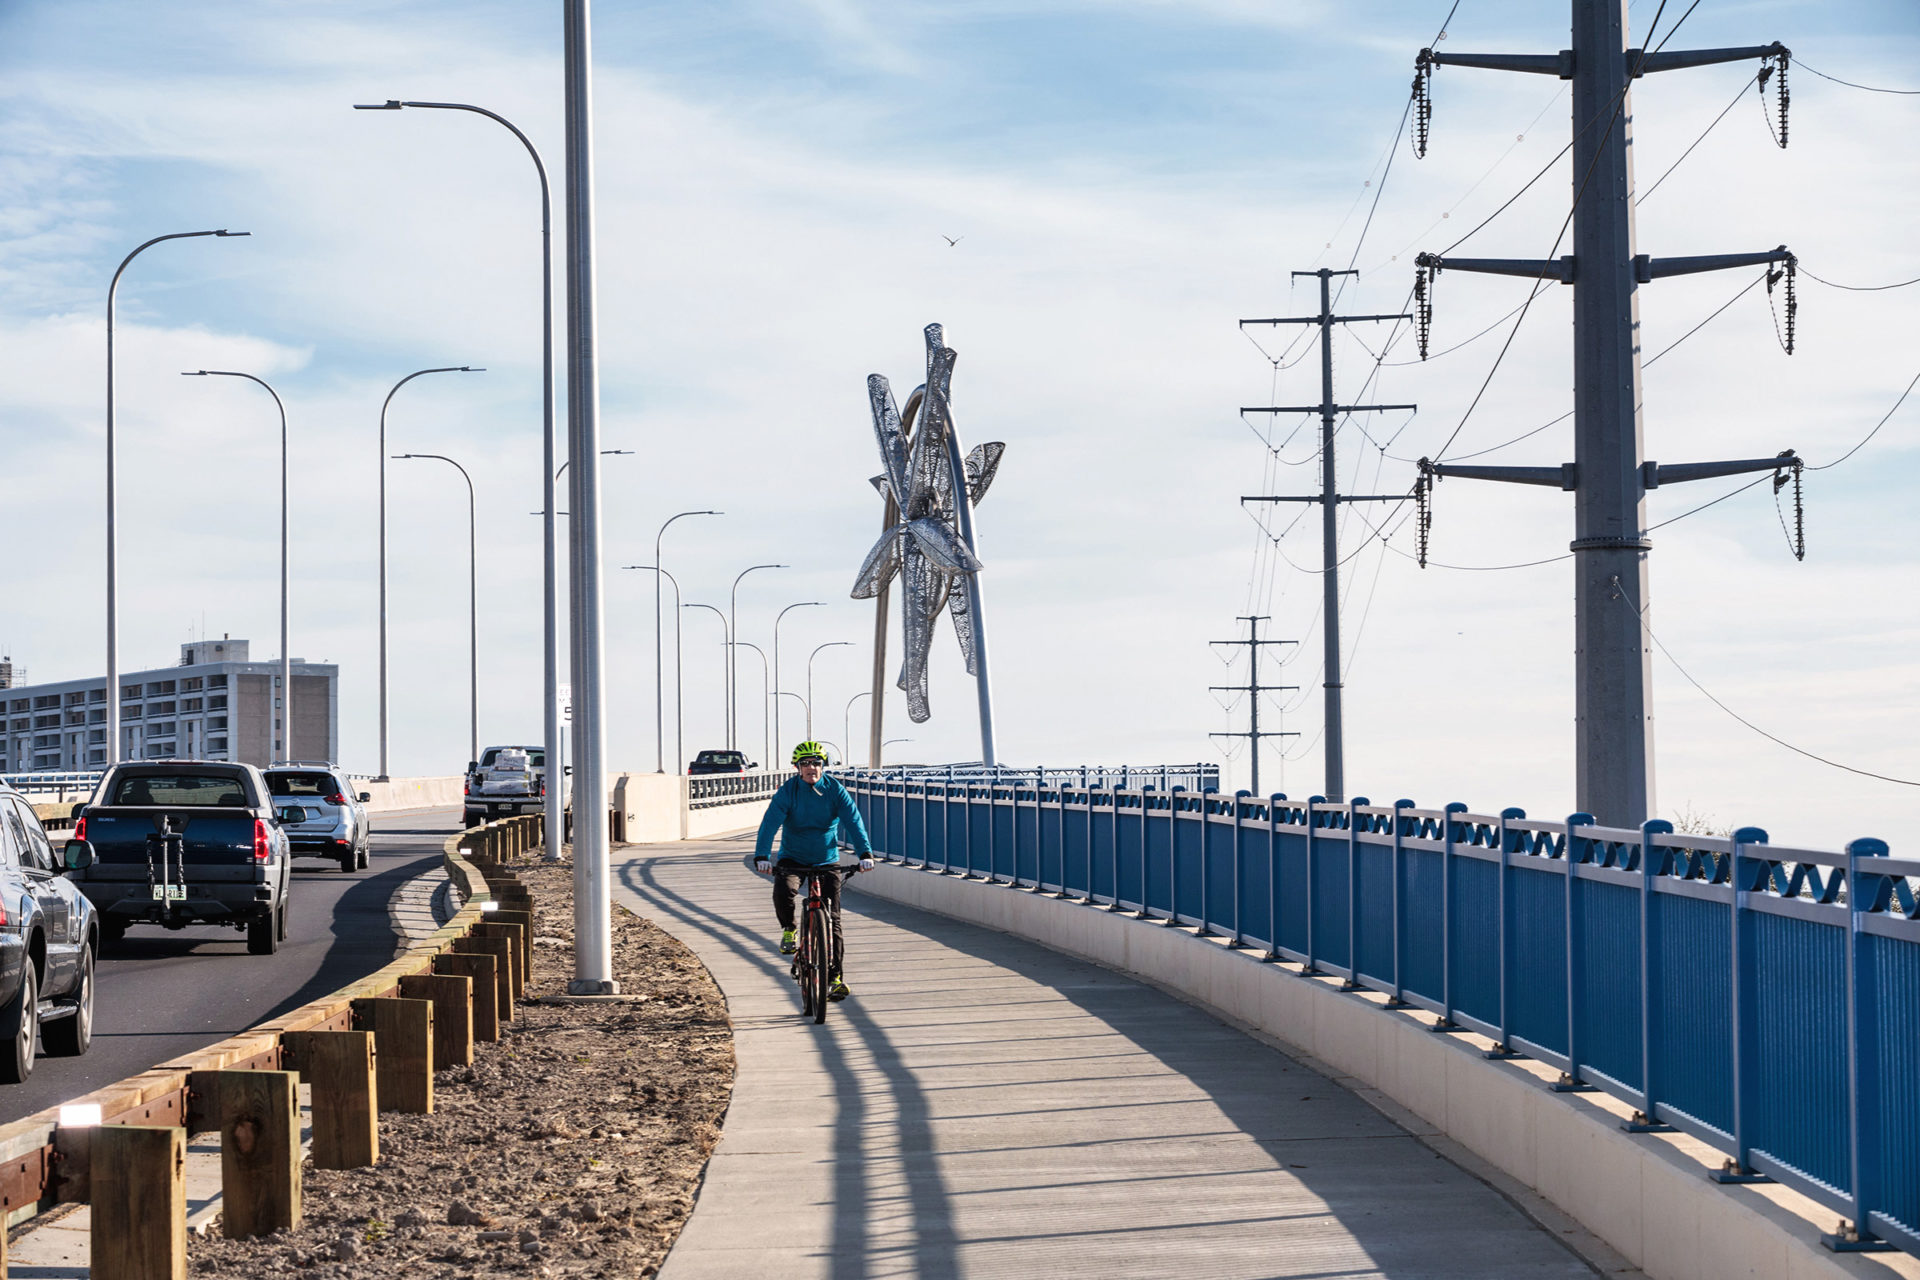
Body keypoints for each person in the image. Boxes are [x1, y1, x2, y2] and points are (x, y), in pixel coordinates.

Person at [754, 740, 874, 1001]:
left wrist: (865, 853)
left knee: (833, 920)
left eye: (816, 763)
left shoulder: (835, 790)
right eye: (805, 764)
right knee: (784, 889)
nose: (811, 768)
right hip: (792, 857)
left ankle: (835, 978)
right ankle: (789, 929)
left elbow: (853, 821)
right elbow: (770, 822)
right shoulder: (788, 791)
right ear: (797, 768)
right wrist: (762, 855)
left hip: (826, 859)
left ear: (823, 766)